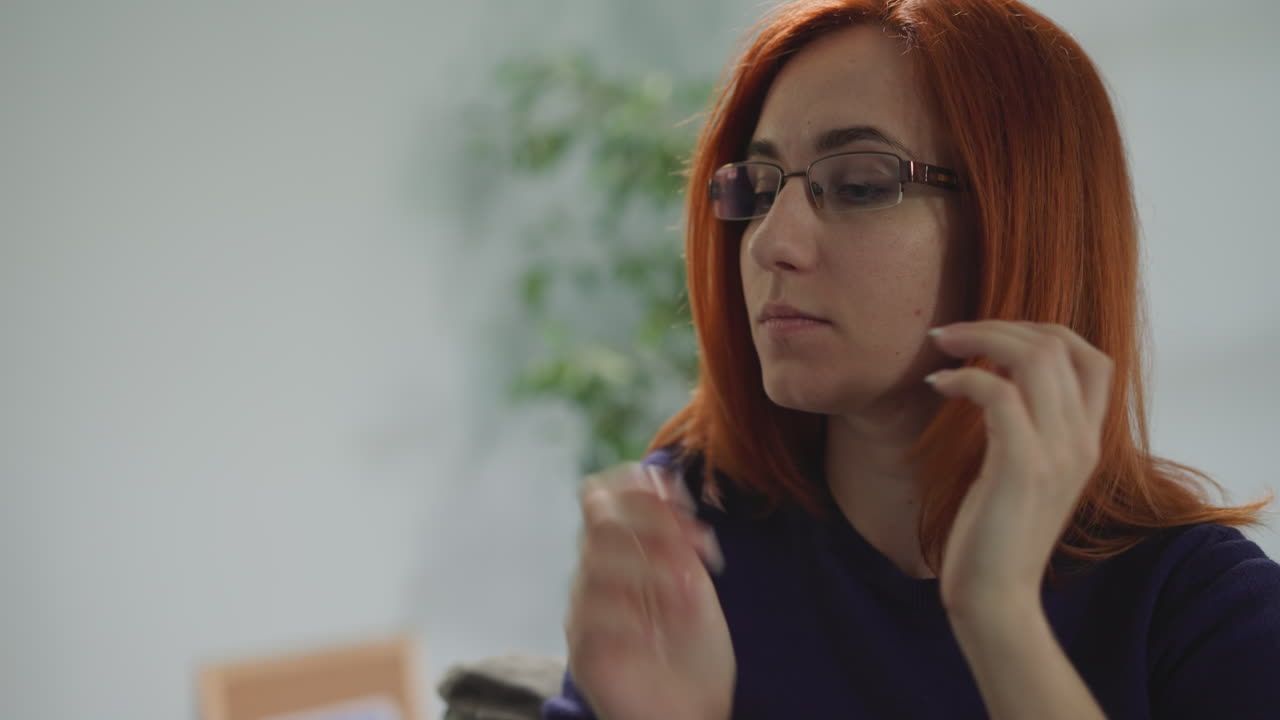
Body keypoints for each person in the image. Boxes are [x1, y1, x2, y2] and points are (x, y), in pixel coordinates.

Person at [542, 1, 1280, 718]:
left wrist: (1000, 620)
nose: (770, 242)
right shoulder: (687, 534)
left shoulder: (1202, 612)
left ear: (1020, 222)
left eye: (861, 185)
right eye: (759, 190)